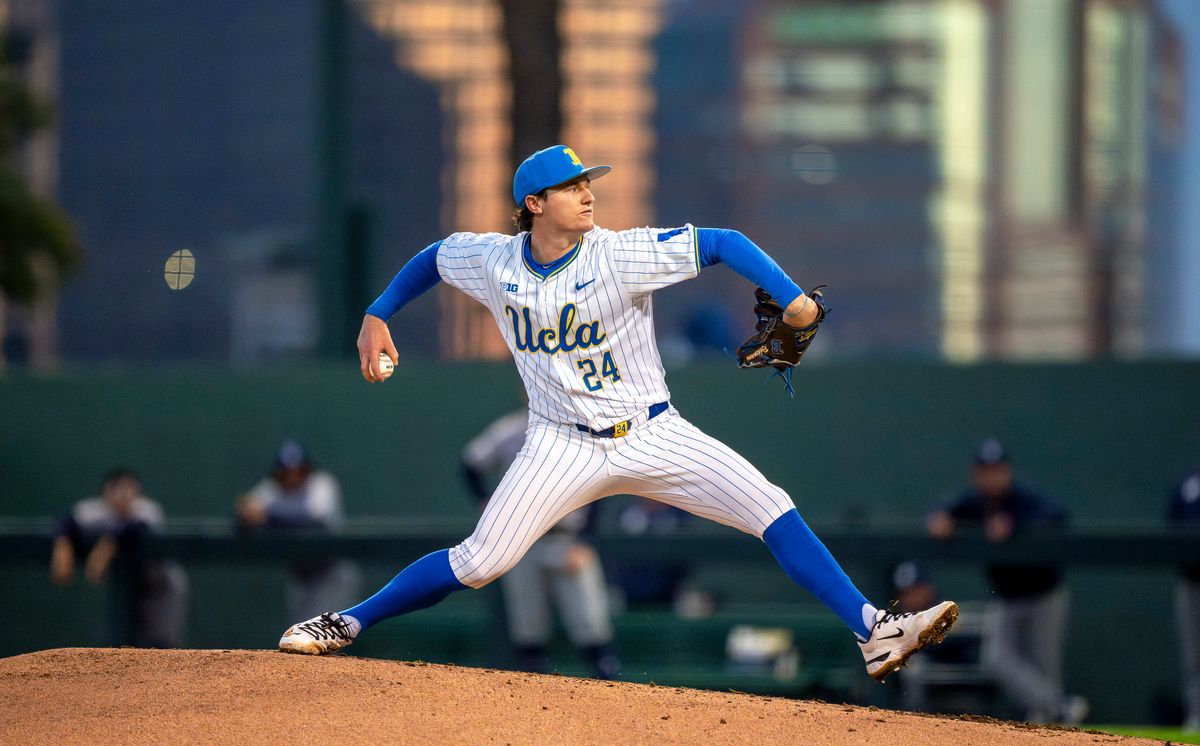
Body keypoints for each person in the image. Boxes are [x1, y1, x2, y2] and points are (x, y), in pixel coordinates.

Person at [278, 144, 957, 683]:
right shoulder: (494, 262)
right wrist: (377, 314)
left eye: (588, 181)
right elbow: (434, 258)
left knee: (770, 506)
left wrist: (790, 298)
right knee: (480, 560)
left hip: (654, 432)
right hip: (559, 444)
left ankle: (873, 630)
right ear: (535, 204)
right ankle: (348, 622)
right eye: (573, 186)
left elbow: (720, 241)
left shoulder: (618, 253)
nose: (588, 192)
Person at [926, 438, 1087, 724]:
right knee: (996, 660)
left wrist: (1015, 525)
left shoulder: (1024, 500)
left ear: (1007, 471)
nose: (991, 477)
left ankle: (1049, 723)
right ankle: (1060, 707)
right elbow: (943, 512)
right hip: (1007, 596)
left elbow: (1055, 517)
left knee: (1044, 667)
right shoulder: (976, 502)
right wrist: (942, 519)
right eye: (985, 471)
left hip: (1043, 593)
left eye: (996, 470)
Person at [462, 408, 620, 679]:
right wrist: (484, 499)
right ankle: (533, 710)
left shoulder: (584, 429)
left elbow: (604, 483)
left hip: (568, 539)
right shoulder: (510, 429)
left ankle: (615, 698)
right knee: (528, 628)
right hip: (523, 540)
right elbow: (470, 463)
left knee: (591, 627)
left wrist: (585, 540)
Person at [50, 468, 188, 648]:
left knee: (161, 641)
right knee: (122, 638)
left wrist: (105, 548)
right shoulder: (96, 509)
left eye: (132, 489)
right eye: (121, 488)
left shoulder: (146, 509)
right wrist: (62, 549)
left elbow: (132, 529)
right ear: (107, 491)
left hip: (160, 584)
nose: (127, 495)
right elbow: (65, 522)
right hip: (128, 584)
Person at [236, 440, 360, 623]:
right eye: (286, 472)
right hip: (301, 575)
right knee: (302, 635)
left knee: (330, 632)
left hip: (332, 573)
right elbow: (244, 513)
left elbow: (313, 521)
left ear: (307, 470)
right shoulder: (272, 488)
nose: (292, 477)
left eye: (298, 471)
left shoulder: (321, 483)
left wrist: (269, 514)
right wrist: (247, 514)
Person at [1167, 464, 1200, 732]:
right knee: (1194, 653)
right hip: (1192, 580)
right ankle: (1197, 715)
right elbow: (1172, 527)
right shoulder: (1189, 484)